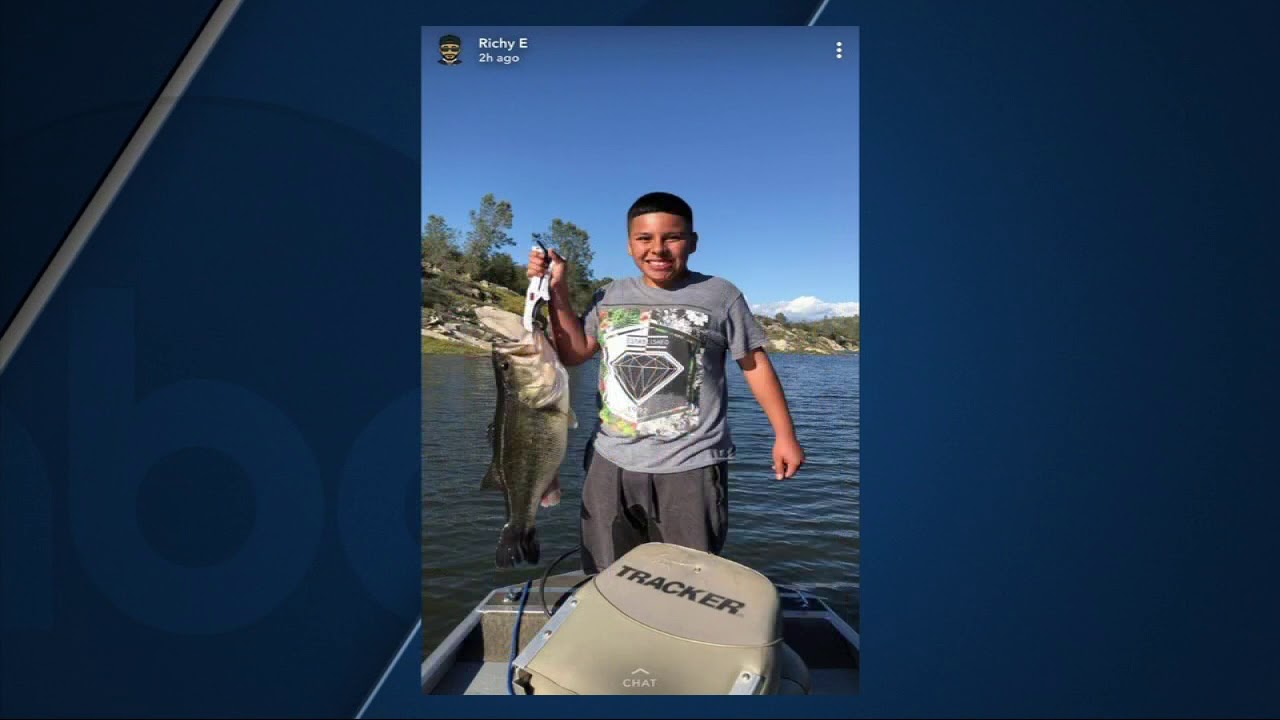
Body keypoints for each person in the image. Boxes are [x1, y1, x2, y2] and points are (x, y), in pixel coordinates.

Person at [527, 191, 806, 574]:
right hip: (610, 463)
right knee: (608, 575)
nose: (657, 249)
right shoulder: (610, 295)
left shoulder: (720, 295)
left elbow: (754, 364)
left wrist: (784, 434)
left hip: (691, 466)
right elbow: (575, 354)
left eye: (672, 237)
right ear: (629, 246)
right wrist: (556, 288)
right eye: (644, 239)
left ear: (693, 242)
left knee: (688, 582)